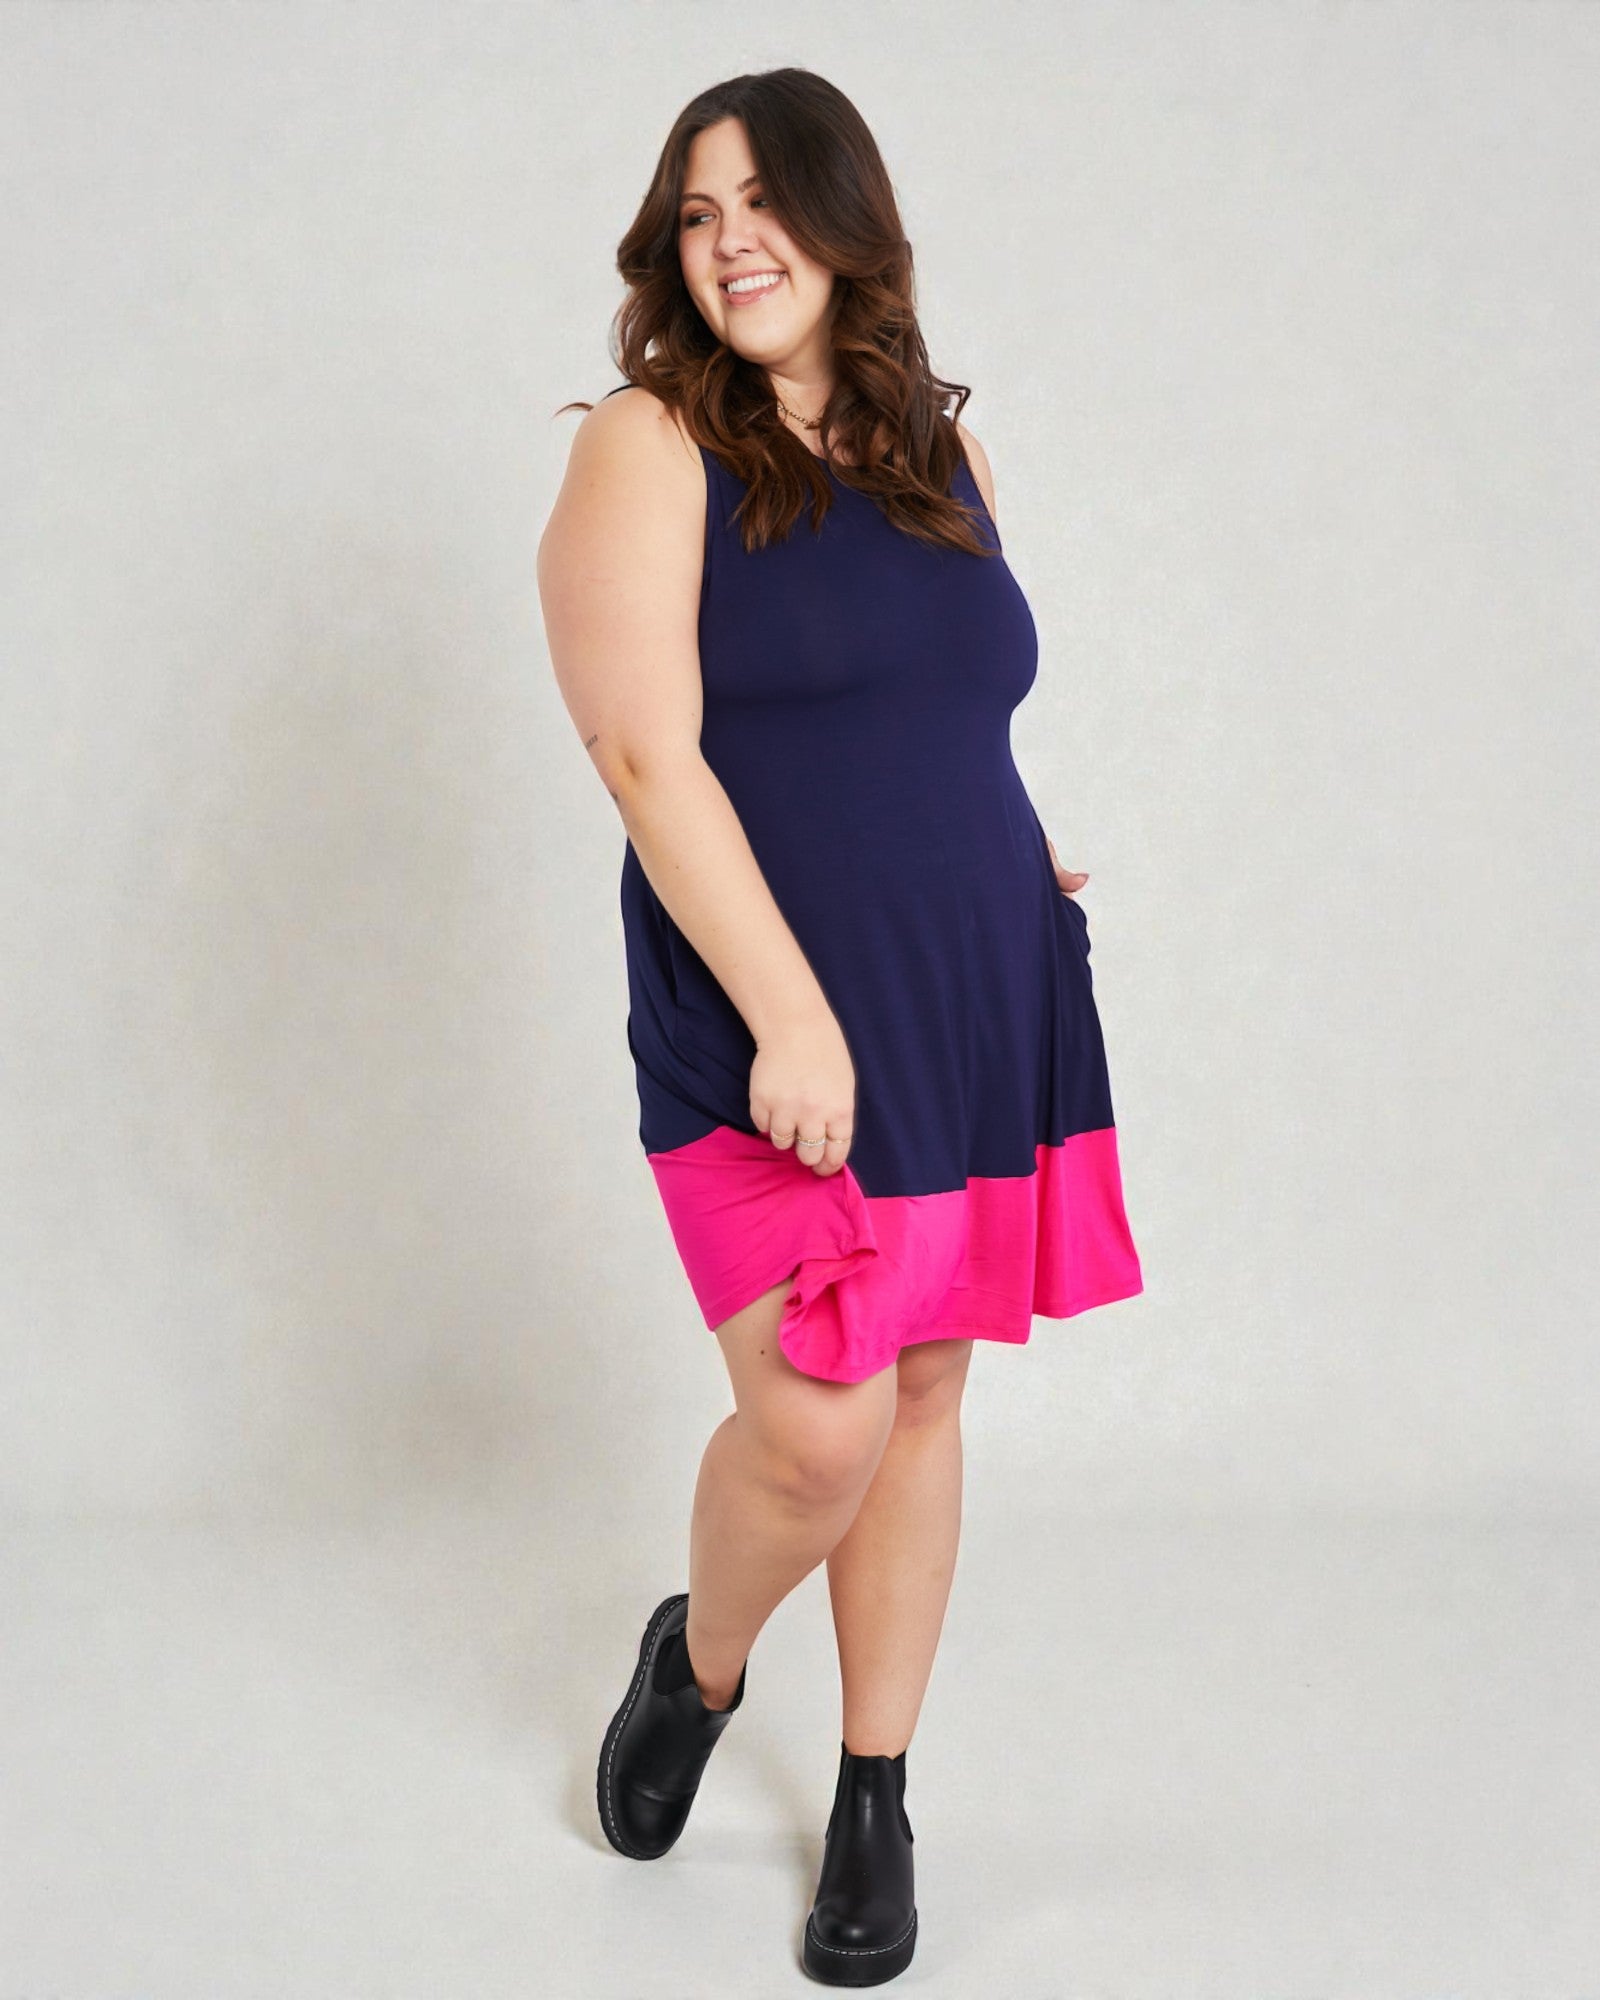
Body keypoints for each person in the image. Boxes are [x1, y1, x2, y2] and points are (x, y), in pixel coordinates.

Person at [537, 67, 1144, 1989]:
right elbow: (647, 752)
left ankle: (875, 1790)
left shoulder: (926, 448)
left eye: (764, 200)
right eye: (697, 210)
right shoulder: (647, 443)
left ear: (845, 219)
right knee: (818, 1426)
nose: (730, 238)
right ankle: (699, 1665)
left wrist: (1018, 864)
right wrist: (793, 1014)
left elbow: (956, 705)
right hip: (769, 1020)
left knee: (933, 1396)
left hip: (971, 985)